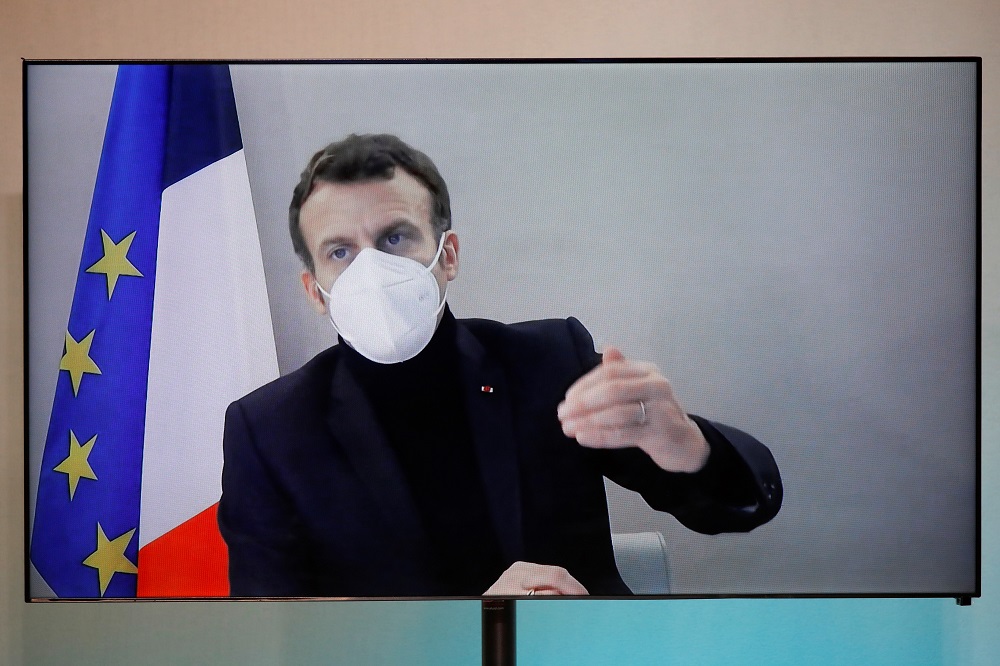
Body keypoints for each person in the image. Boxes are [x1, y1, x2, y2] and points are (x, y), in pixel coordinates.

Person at [218, 133, 782, 598]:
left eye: (395, 237)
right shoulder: (269, 430)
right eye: (340, 251)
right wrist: (471, 632)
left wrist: (689, 448)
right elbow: (273, 633)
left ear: (449, 255)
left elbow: (733, 511)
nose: (372, 268)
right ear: (315, 290)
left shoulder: (547, 363)